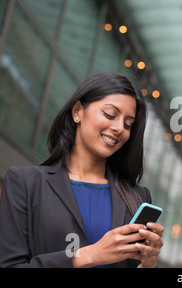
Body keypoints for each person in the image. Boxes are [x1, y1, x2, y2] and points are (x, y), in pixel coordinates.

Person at [0, 72, 164, 268]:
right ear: (77, 111)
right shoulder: (26, 184)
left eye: (128, 124)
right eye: (110, 115)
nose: (119, 127)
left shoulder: (137, 197)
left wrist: (149, 263)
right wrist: (88, 256)